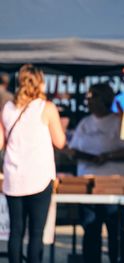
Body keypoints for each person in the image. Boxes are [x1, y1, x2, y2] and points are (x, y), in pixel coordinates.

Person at [0, 64, 66, 263]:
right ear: (40, 82)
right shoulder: (46, 108)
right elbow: (60, 141)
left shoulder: (8, 108)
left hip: (13, 178)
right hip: (39, 177)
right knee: (36, 233)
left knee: (16, 232)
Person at [68, 83, 124, 263]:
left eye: (95, 97)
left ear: (106, 99)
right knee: (90, 231)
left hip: (114, 186)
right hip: (88, 186)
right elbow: (73, 150)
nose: (90, 101)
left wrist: (107, 156)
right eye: (89, 98)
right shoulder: (84, 123)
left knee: (116, 231)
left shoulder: (118, 121)